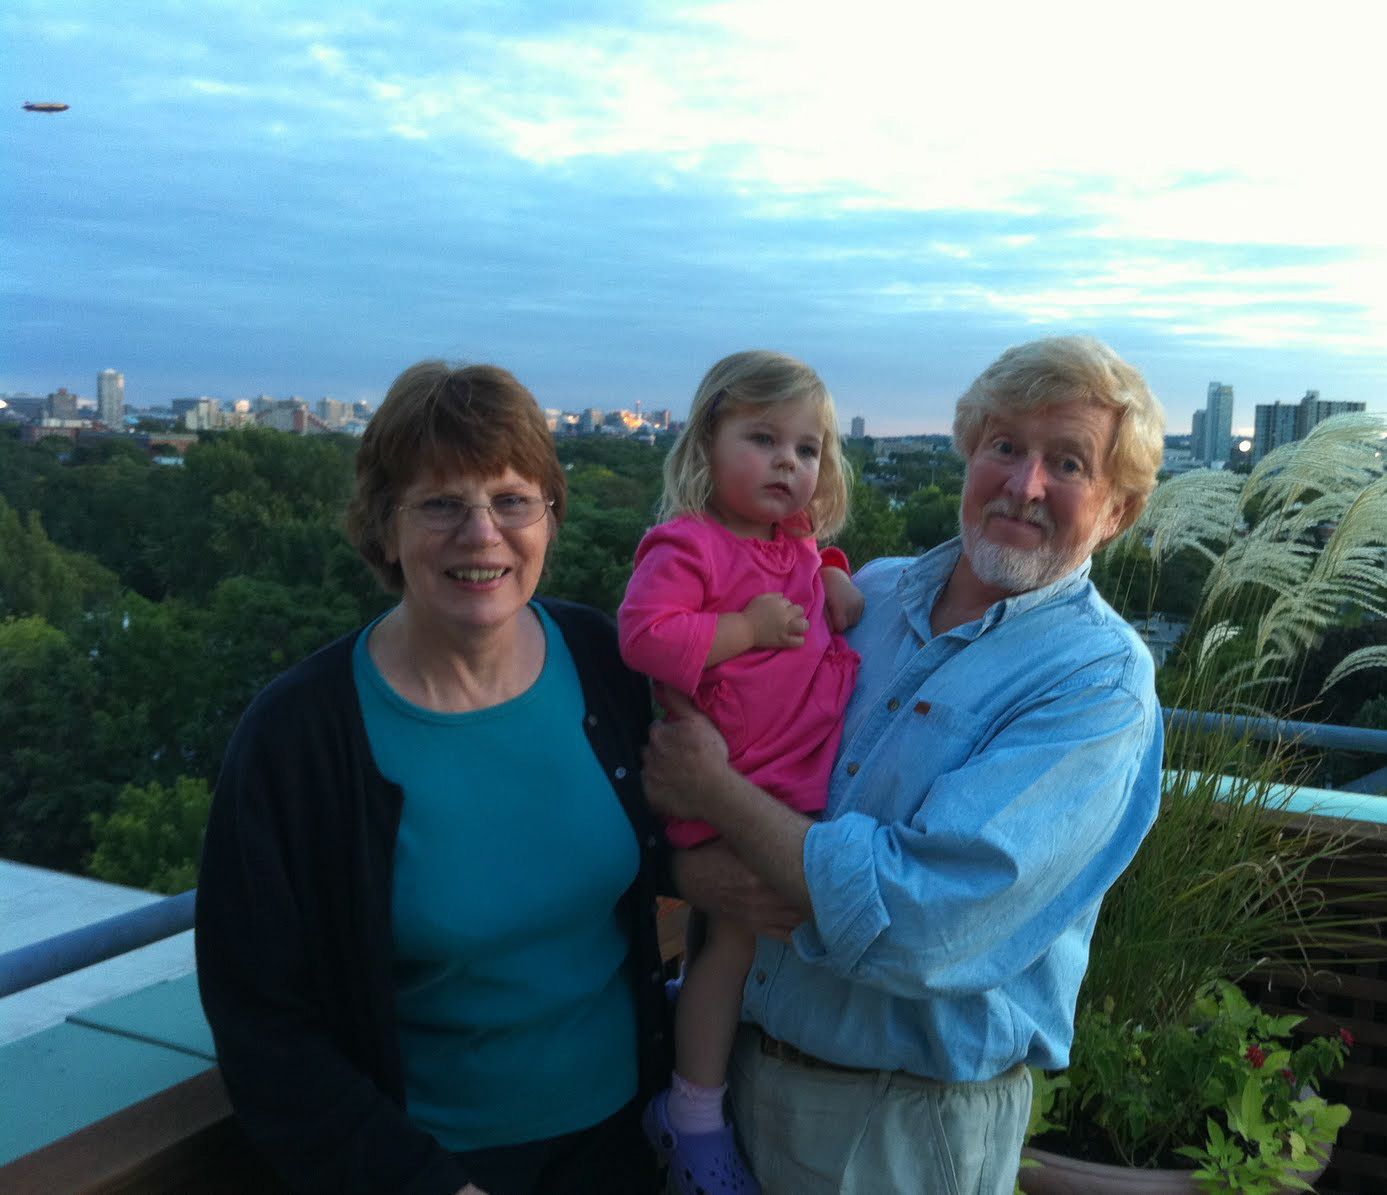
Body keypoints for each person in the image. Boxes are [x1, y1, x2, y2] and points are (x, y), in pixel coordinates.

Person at [646, 335, 1168, 1194]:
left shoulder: (1097, 683)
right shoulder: (867, 595)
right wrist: (689, 865)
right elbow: (696, 748)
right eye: (1004, 446)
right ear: (969, 452)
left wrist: (717, 796)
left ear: (1118, 509)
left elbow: (922, 920)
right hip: (728, 1077)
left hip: (896, 1130)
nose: (1024, 483)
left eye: (1067, 462)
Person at [195, 361, 671, 1195]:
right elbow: (262, 1020)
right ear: (384, 527)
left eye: (512, 500)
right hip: (433, 1165)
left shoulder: (603, 661)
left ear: (550, 517)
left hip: (625, 1142)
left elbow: (670, 848)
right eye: (442, 503)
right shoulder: (300, 738)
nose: (482, 533)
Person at [617, 350, 861, 1194]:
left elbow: (806, 559)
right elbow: (644, 636)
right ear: (706, 444)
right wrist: (749, 631)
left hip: (784, 787)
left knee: (755, 940)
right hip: (728, 781)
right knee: (728, 943)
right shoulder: (690, 544)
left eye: (806, 448)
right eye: (762, 439)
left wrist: (831, 576)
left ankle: (702, 1066)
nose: (787, 463)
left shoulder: (792, 544)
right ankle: (692, 1116)